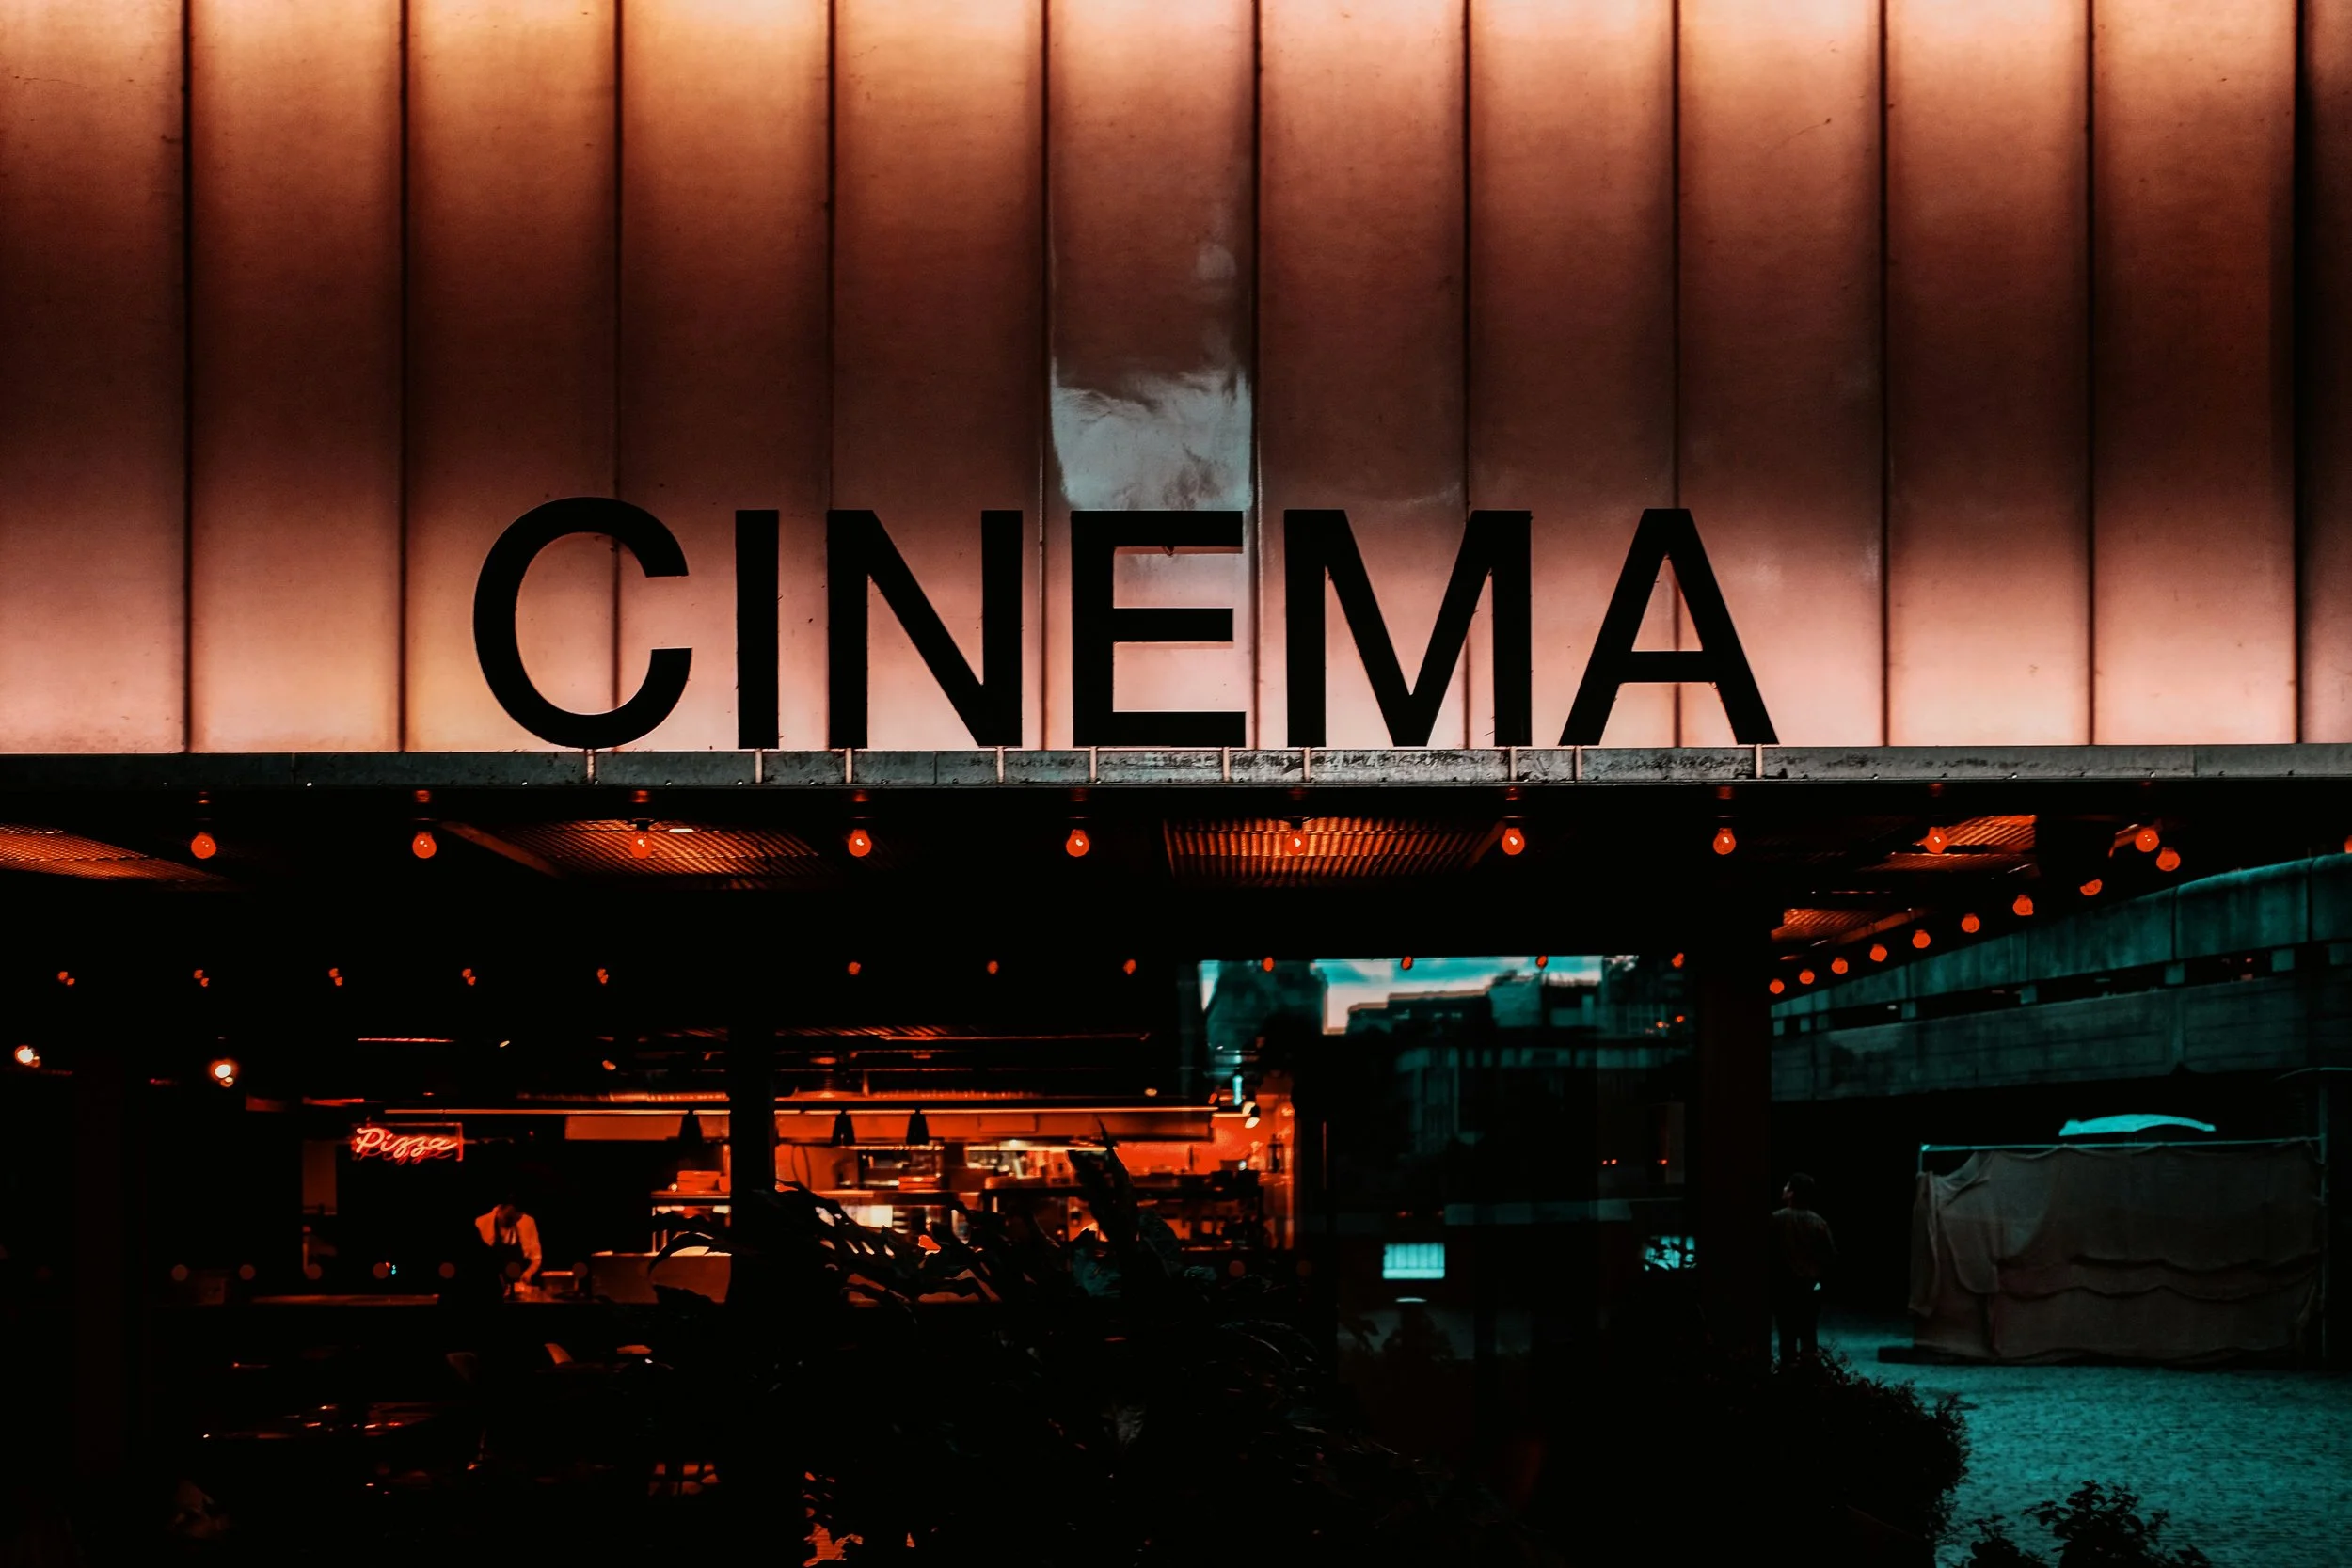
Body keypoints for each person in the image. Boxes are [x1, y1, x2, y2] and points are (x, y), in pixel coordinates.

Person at [1768, 1172, 1836, 1364]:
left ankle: (1787, 1377)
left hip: (1783, 1286)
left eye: (1786, 1187)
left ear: (1792, 1193)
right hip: (1810, 1286)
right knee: (1808, 1334)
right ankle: (1809, 1379)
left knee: (1786, 1336)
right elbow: (1830, 1256)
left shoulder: (1776, 1220)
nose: (1783, 1190)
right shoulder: (1818, 1222)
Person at [474, 1193, 543, 1296]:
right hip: (489, 1290)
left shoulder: (527, 1223)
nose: (513, 1222)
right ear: (500, 1209)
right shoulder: (482, 1223)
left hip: (520, 1290)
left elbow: (536, 1257)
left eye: (517, 1219)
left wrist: (528, 1273)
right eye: (509, 1219)